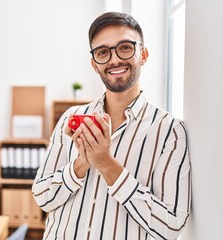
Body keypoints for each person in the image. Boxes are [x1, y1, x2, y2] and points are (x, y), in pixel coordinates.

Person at [32, 12, 191, 240]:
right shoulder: (72, 118)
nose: (114, 60)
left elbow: (170, 226)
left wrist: (106, 164)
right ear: (94, 64)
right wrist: (80, 164)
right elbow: (43, 197)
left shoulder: (170, 132)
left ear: (143, 55)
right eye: (103, 52)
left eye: (125, 47)